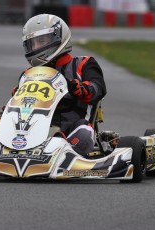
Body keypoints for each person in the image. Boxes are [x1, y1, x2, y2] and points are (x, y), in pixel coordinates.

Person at [13, 14, 107, 157]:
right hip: (35, 128)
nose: (36, 47)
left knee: (83, 135)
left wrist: (79, 88)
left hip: (72, 127)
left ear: (58, 38)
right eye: (32, 43)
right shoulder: (28, 74)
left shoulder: (83, 64)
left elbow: (98, 88)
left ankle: (64, 154)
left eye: (41, 41)